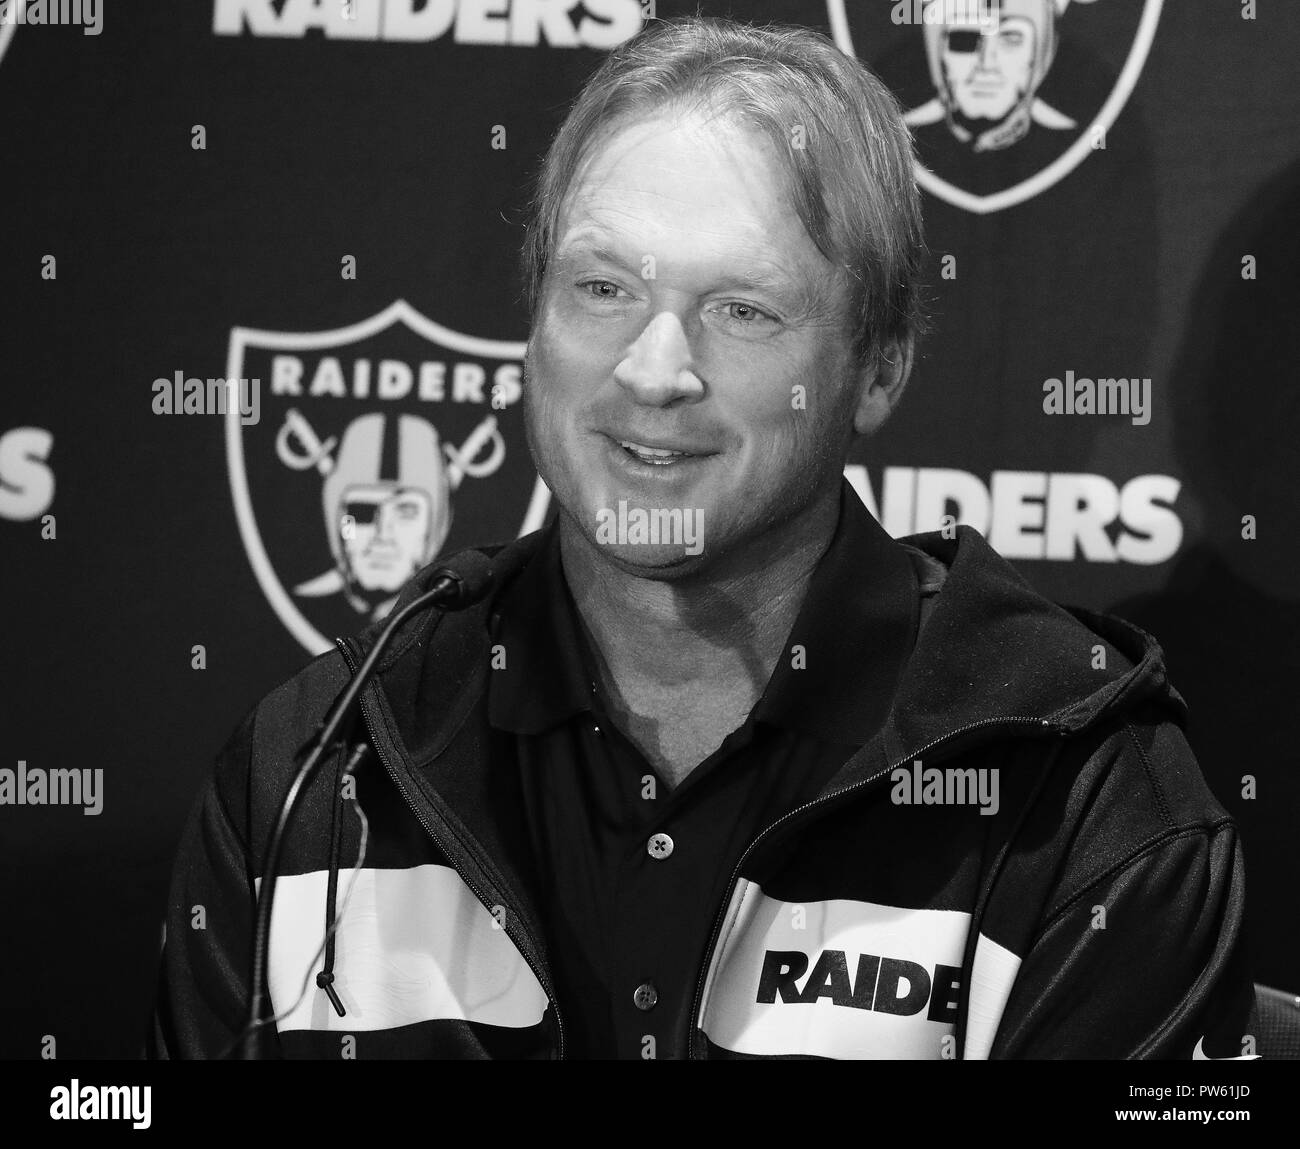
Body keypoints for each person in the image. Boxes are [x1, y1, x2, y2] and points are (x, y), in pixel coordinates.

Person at [149, 15, 1256, 1060]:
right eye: (601, 287)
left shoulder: (1079, 798)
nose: (651, 369)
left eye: (742, 310)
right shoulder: (319, 767)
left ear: (879, 368)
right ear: (531, 320)